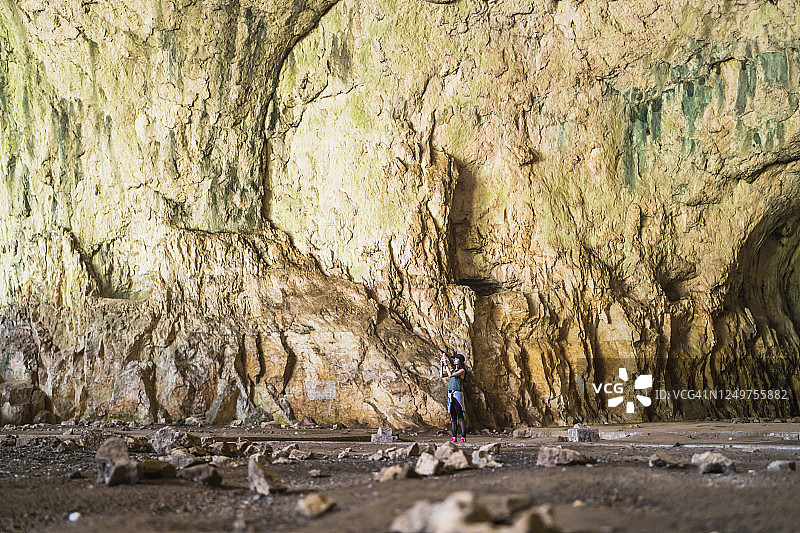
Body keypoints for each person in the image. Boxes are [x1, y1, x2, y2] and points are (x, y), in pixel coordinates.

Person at [441, 351, 467, 443]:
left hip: (457, 394)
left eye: (456, 359)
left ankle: (463, 437)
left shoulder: (462, 371)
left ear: (460, 361)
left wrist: (446, 365)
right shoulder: (452, 370)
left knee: (460, 416)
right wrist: (442, 365)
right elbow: (441, 375)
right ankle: (454, 437)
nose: (454, 360)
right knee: (453, 418)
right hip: (450, 394)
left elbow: (450, 375)